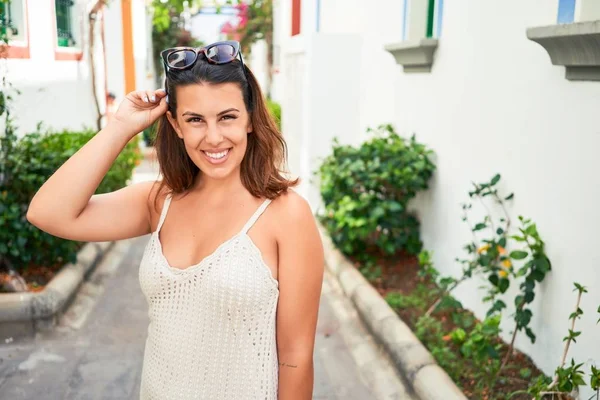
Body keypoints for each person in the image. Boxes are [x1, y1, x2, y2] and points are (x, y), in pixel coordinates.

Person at [26, 40, 324, 399]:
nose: (213, 138)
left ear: (249, 118)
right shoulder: (158, 201)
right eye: (195, 120)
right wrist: (120, 127)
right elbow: (47, 213)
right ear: (175, 124)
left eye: (227, 117)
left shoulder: (287, 214)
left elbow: (295, 358)